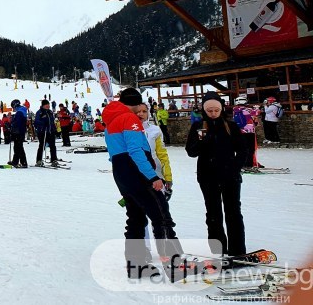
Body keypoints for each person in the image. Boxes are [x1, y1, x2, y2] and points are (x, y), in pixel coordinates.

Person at [102, 88, 185, 281]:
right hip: (136, 172)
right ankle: (173, 263)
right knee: (161, 214)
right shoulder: (129, 119)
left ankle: (136, 264)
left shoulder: (111, 119)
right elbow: (135, 151)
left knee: (136, 217)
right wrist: (153, 177)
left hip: (121, 173)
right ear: (137, 103)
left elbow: (116, 152)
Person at [185, 91, 247, 257]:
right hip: (207, 176)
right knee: (213, 213)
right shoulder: (198, 126)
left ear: (221, 109)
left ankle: (238, 250)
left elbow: (242, 150)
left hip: (230, 176)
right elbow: (191, 152)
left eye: (216, 110)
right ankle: (218, 250)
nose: (213, 113)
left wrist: (235, 167)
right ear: (204, 110)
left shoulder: (230, 126)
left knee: (233, 212)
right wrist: (200, 142)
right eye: (209, 110)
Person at [33, 100, 58, 167]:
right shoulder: (40, 112)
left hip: (50, 131)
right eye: (46, 104)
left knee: (53, 146)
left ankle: (54, 159)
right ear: (43, 105)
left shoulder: (50, 112)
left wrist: (54, 129)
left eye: (48, 104)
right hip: (42, 132)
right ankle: (39, 160)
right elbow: (36, 122)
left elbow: (52, 122)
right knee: (42, 146)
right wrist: (43, 123)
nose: (48, 106)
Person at [8, 99, 28, 168]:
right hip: (20, 132)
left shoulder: (19, 112)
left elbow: (18, 124)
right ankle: (18, 162)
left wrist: (12, 127)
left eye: (13, 107)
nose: (13, 109)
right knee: (18, 147)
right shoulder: (21, 111)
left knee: (18, 147)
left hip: (18, 132)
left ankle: (20, 162)